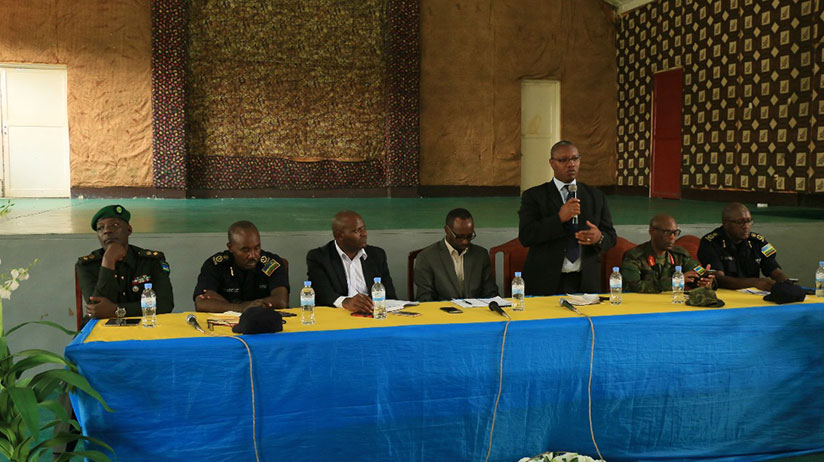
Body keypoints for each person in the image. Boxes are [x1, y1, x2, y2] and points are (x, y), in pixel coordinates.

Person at [518, 140, 617, 295]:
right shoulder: (534, 196)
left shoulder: (596, 196)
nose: (571, 164)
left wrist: (599, 237)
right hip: (545, 281)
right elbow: (526, 236)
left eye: (574, 159)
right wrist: (558, 219)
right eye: (563, 160)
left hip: (585, 281)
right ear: (552, 163)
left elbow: (611, 236)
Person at [76, 204, 174, 319]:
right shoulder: (86, 265)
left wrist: (117, 310)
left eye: (115, 225)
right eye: (100, 228)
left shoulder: (151, 261)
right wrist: (108, 261)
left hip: (145, 328)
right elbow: (96, 310)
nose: (107, 231)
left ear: (129, 230)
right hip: (102, 331)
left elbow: (165, 304)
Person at [306, 210, 396, 312]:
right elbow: (323, 292)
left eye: (364, 229)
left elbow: (389, 293)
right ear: (340, 236)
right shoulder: (319, 257)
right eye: (357, 231)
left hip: (373, 314)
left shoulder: (376, 255)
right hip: (337, 316)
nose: (364, 234)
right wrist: (345, 302)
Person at [194, 221, 289, 312]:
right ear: (230, 247)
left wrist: (226, 305)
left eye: (257, 248)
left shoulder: (270, 263)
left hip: (265, 322)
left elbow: (281, 301)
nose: (253, 255)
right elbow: (201, 303)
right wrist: (241, 308)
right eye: (245, 250)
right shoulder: (215, 265)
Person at [698, 202, 788, 291]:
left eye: (749, 221)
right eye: (740, 222)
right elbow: (719, 279)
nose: (746, 226)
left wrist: (787, 284)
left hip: (752, 297)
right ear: (725, 223)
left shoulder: (758, 241)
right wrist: (755, 283)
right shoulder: (710, 243)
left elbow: (774, 270)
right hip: (725, 296)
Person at [414, 208, 498, 301]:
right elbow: (425, 298)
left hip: (475, 312)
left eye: (469, 236)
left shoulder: (480, 255)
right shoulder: (427, 257)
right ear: (447, 230)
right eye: (460, 237)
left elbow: (490, 293)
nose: (465, 241)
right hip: (443, 313)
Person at [621, 214, 715, 293]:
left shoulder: (680, 255)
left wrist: (706, 279)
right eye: (667, 233)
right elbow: (631, 287)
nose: (672, 237)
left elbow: (698, 271)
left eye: (675, 233)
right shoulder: (635, 256)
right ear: (652, 232)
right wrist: (673, 282)